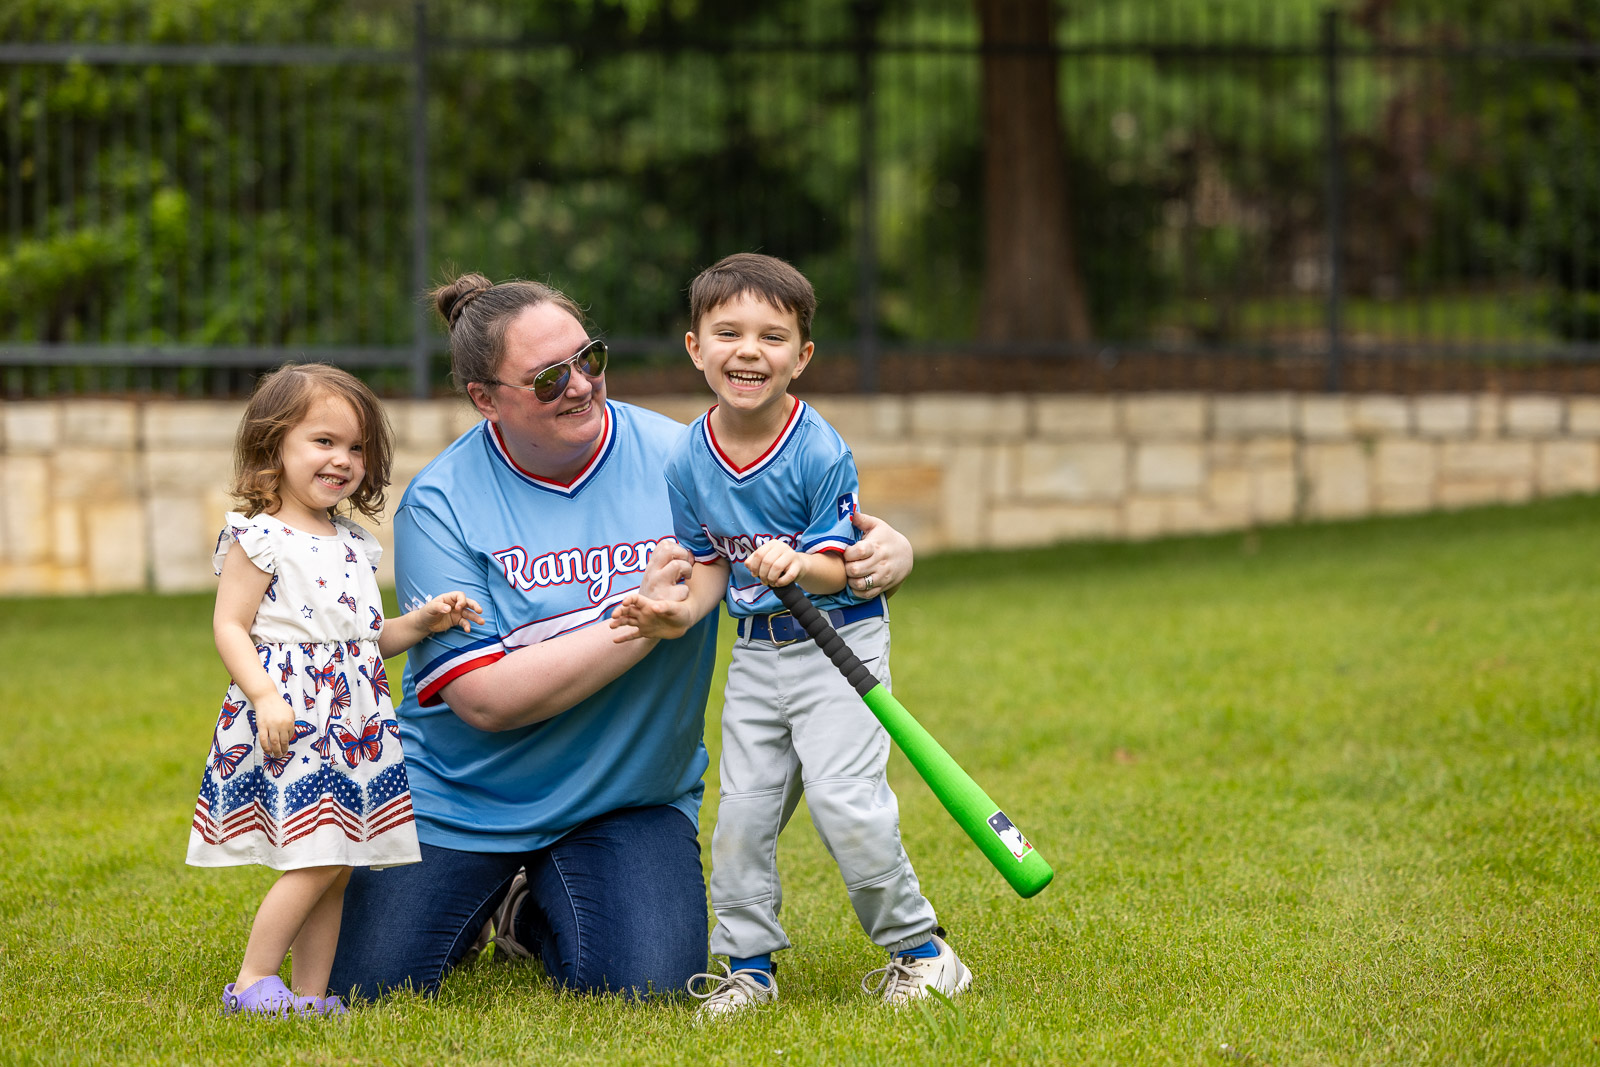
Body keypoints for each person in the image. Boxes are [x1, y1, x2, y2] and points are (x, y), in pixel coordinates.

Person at [325, 272, 917, 1002]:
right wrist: (646, 623)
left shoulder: (685, 459)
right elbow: (483, 699)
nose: (579, 385)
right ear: (485, 399)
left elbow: (802, 549)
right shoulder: (440, 502)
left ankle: (525, 910)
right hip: (462, 800)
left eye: (590, 358)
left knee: (646, 985)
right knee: (369, 986)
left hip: (625, 800)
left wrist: (887, 556)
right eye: (548, 378)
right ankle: (486, 886)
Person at [609, 253, 969, 1019]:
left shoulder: (817, 449)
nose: (749, 350)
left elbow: (847, 569)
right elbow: (709, 563)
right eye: (728, 332)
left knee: (845, 801)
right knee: (742, 813)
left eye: (772, 337)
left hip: (840, 647)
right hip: (758, 652)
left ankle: (924, 951)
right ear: (695, 347)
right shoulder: (688, 457)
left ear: (801, 357)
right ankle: (749, 968)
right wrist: (677, 614)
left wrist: (799, 563)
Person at [187, 363, 483, 1017]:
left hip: (354, 727)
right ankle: (253, 980)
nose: (343, 459)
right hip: (293, 719)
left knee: (340, 860)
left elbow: (365, 640)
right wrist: (265, 695)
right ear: (274, 445)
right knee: (318, 857)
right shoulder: (260, 537)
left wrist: (423, 622)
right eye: (324, 441)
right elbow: (230, 625)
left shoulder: (354, 544)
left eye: (356, 447)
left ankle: (312, 994)